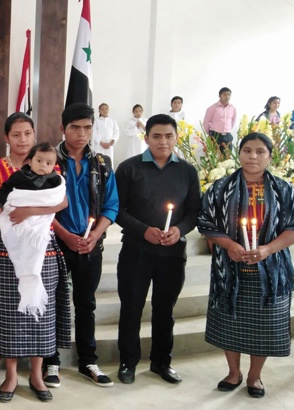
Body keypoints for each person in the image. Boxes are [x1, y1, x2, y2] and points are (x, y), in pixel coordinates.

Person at [198, 132, 294, 399]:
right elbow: (206, 222)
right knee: (229, 321)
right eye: (247, 150)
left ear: (270, 156)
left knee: (264, 325)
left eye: (260, 151)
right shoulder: (220, 188)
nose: (253, 156)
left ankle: (254, 376)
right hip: (229, 269)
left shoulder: (284, 190)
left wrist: (267, 249)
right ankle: (233, 372)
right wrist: (229, 245)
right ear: (239, 154)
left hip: (271, 271)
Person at [114, 114, 201, 385]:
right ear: (146, 138)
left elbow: (194, 212)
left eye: (168, 136)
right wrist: (144, 231)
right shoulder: (129, 168)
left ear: (176, 138)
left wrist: (179, 230)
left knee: (165, 310)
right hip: (136, 251)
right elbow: (116, 209)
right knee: (131, 308)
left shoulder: (187, 171)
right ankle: (128, 362)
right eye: (156, 136)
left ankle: (161, 362)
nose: (163, 141)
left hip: (172, 254)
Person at [0, 133, 71, 403]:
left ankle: (36, 375)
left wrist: (30, 213)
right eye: (17, 134)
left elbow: (61, 201)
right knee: (10, 312)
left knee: (41, 313)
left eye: (28, 133)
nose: (22, 138)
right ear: (8, 137)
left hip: (41, 244)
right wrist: (15, 226)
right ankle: (11, 376)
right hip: (8, 244)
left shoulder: (53, 173)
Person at [43, 102, 119, 388]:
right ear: (62, 129)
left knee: (86, 304)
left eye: (87, 128)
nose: (82, 134)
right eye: (75, 128)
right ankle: (51, 361)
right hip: (56, 244)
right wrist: (64, 235)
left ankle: (88, 361)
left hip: (90, 245)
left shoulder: (102, 164)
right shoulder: (48, 162)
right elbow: (40, 207)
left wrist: (95, 235)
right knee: (53, 303)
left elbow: (111, 205)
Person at [203, 87, 237, 153]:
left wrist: (227, 130)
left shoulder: (233, 108)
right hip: (215, 136)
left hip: (227, 136)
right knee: (213, 156)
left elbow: (233, 121)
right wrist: (211, 134)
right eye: (224, 94)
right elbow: (206, 122)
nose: (227, 96)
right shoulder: (212, 108)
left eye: (229, 94)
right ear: (219, 95)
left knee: (227, 157)